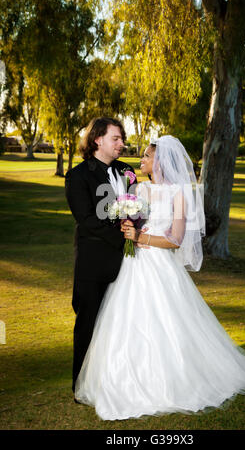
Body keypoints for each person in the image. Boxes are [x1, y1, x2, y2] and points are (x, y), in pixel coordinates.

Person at [74, 135, 245, 420]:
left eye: (146, 156)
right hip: (132, 264)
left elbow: (176, 240)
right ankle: (124, 376)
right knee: (127, 319)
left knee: (167, 320)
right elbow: (126, 220)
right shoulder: (138, 189)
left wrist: (142, 236)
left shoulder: (179, 193)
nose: (140, 161)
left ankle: (174, 376)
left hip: (159, 264)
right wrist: (126, 226)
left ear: (159, 161)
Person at [65, 116, 136, 395]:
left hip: (129, 263)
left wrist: (134, 227)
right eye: (115, 138)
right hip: (93, 262)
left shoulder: (128, 172)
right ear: (98, 140)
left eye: (121, 139)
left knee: (121, 321)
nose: (121, 143)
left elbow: (135, 208)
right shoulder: (78, 176)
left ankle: (116, 380)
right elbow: (86, 219)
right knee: (88, 322)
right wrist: (122, 237)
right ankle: (81, 386)